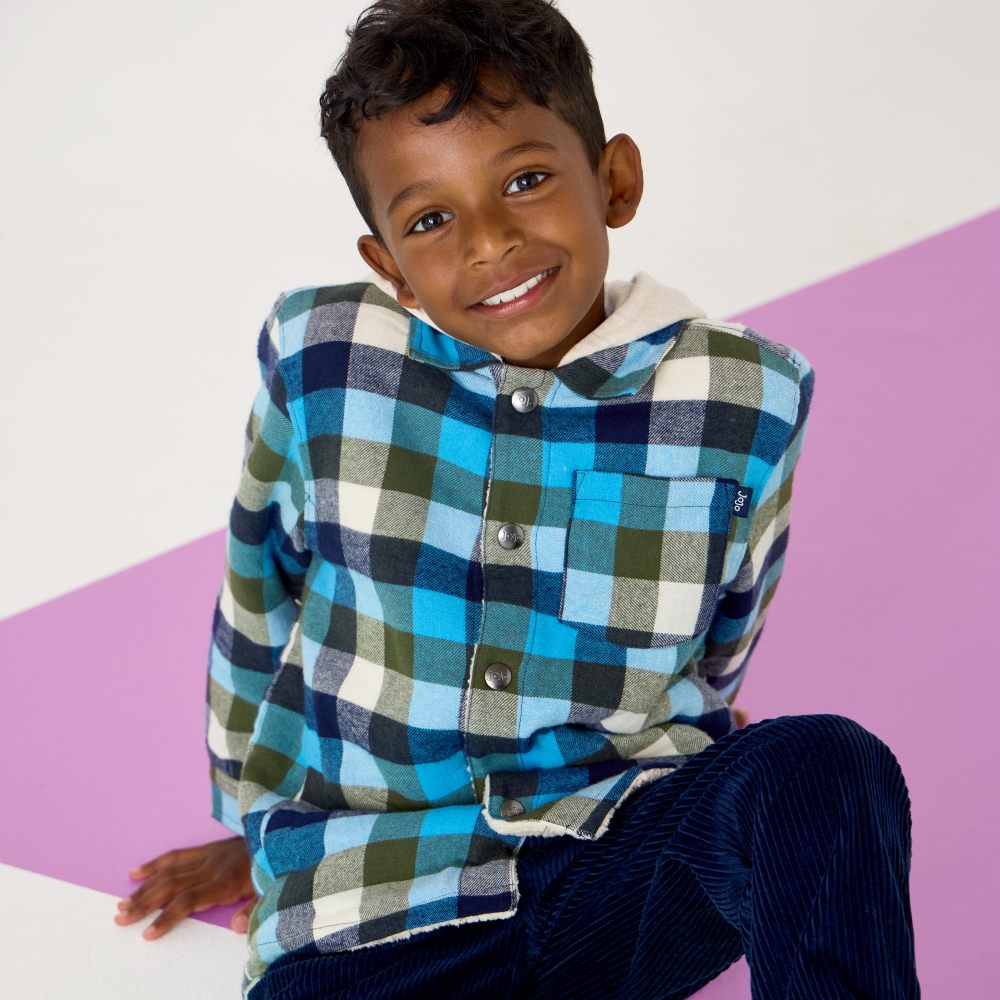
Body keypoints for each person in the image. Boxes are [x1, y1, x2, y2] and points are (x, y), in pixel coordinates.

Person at [115, 1, 920, 997]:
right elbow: (257, 588)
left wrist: (717, 780)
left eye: (527, 180)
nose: (491, 240)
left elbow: (725, 628)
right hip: (375, 914)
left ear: (613, 180)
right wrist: (250, 828)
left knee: (821, 763)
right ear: (388, 266)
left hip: (611, 867)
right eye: (431, 219)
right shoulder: (328, 361)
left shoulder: (743, 393)